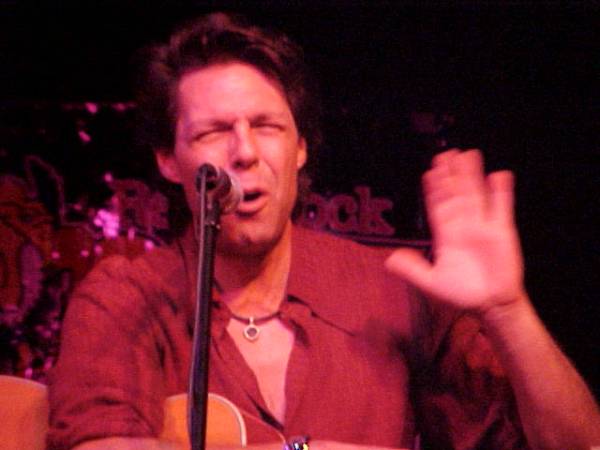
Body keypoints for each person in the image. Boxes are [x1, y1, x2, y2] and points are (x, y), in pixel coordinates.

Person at [47, 12, 600, 450]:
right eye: (215, 132)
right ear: (169, 160)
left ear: (300, 148)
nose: (245, 152)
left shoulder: (391, 290)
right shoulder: (124, 297)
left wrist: (507, 310)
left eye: (267, 127)